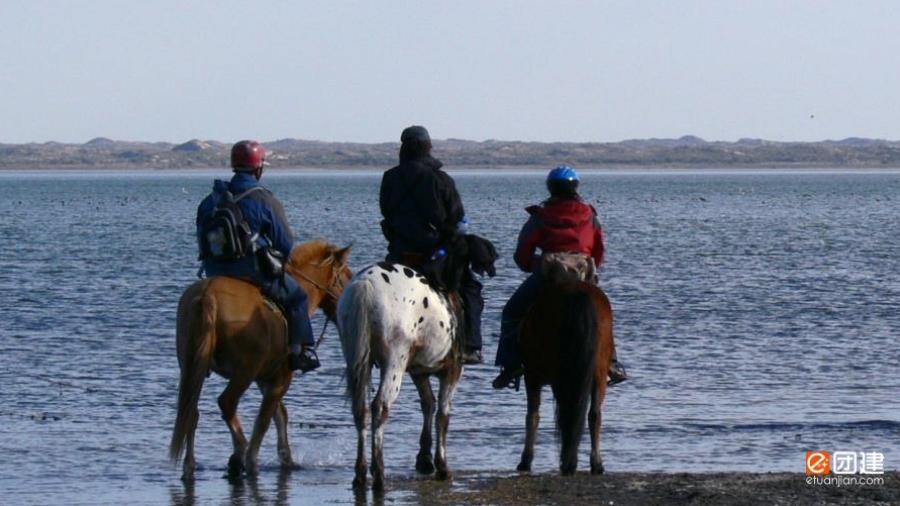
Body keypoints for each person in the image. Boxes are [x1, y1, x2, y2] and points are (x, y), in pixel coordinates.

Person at [492, 165, 627, 389]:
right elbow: (599, 249)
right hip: (583, 273)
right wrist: (592, 267)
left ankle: (511, 364)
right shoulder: (590, 214)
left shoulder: (540, 215)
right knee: (602, 317)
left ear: (550, 187)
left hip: (549, 273)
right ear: (575, 187)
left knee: (512, 312)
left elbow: (523, 251)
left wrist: (530, 265)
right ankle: (611, 363)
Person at [196, 140, 320, 373]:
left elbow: (201, 237)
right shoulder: (264, 198)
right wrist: (275, 263)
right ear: (259, 168)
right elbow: (285, 243)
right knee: (298, 298)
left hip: (213, 271)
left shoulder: (210, 200)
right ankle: (298, 353)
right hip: (251, 271)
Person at [379, 125, 484, 364]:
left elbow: (385, 212)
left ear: (403, 148)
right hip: (436, 257)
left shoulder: (390, 177)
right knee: (470, 289)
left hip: (399, 255)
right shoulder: (440, 179)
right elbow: (457, 219)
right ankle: (470, 345)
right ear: (428, 147)